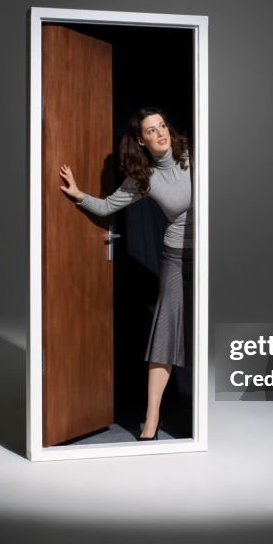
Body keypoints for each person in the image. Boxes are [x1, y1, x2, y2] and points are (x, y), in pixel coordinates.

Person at [59, 107, 193, 441]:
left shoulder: (192, 156)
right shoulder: (144, 177)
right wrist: (78, 194)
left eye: (162, 125)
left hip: (214, 256)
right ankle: (151, 421)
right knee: (166, 334)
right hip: (178, 255)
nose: (161, 133)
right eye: (151, 130)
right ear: (140, 140)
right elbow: (106, 207)